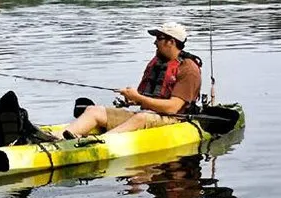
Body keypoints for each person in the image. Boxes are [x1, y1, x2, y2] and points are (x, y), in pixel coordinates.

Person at [62, 23, 202, 136]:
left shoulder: (189, 69)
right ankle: (58, 138)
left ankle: (100, 142)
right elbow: (143, 97)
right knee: (93, 110)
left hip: (174, 120)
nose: (154, 42)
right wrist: (131, 99)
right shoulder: (157, 62)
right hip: (148, 114)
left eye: (159, 38)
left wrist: (139, 98)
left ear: (171, 42)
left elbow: (173, 108)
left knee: (141, 117)